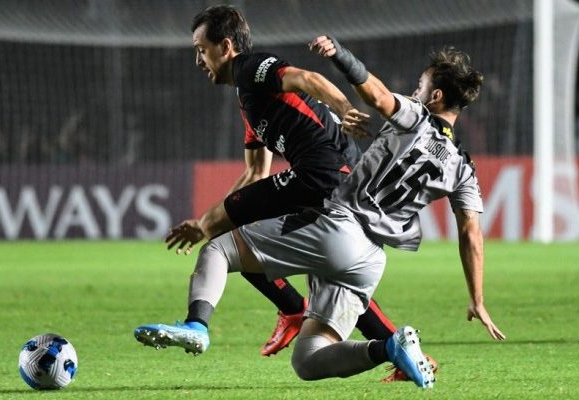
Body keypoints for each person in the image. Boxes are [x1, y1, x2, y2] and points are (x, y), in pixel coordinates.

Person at [136, 35, 505, 389]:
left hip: (339, 224)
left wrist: (339, 55)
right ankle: (391, 347)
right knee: (308, 361)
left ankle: (197, 326)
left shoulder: (415, 118)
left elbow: (374, 93)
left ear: (435, 96)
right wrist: (477, 298)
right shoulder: (463, 169)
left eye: (420, 86)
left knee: (219, 248)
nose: (414, 92)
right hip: (371, 260)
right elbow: (471, 234)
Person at [151, 4, 410, 379]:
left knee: (224, 239)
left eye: (201, 49)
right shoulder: (250, 103)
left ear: (225, 46)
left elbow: (305, 78)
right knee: (331, 273)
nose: (198, 59)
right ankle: (394, 348)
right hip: (335, 187)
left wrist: (344, 109)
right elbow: (256, 172)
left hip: (324, 175)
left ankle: (269, 312)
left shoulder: (249, 68)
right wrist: (209, 219)